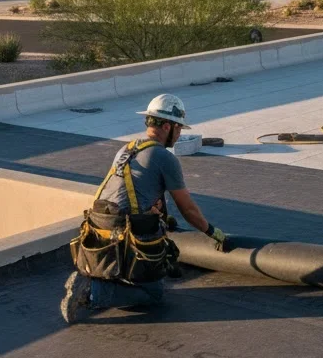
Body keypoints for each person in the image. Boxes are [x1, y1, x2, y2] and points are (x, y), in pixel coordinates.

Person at [60, 93, 227, 323]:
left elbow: (133, 192)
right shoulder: (164, 157)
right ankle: (92, 291)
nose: (179, 135)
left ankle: (97, 281)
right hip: (125, 234)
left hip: (99, 226)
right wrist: (212, 232)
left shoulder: (126, 150)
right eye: (178, 129)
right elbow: (188, 209)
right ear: (167, 126)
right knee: (154, 293)